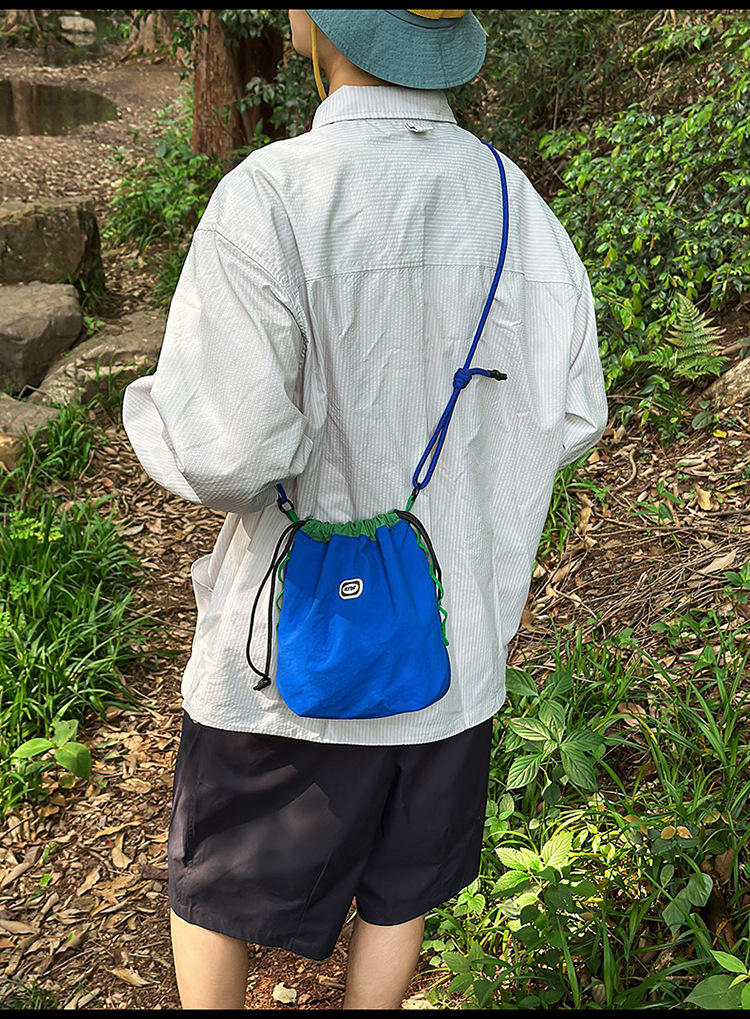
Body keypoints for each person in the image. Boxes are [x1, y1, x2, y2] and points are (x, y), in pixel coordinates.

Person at [122, 9, 608, 1011]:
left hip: (286, 650)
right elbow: (573, 414)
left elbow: (229, 454)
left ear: (314, 23)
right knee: (403, 884)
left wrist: (152, 416)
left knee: (216, 885)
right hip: (452, 639)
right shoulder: (515, 203)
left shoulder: (272, 194)